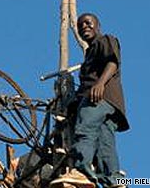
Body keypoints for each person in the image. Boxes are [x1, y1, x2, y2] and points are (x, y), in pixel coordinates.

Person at [51, 13, 130, 188]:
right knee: (104, 141)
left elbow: (112, 62)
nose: (84, 27)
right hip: (110, 104)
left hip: (99, 97)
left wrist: (100, 84)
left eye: (88, 22)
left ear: (98, 25)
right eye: (80, 26)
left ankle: (82, 172)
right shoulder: (89, 54)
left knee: (85, 129)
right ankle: (115, 181)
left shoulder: (105, 40)